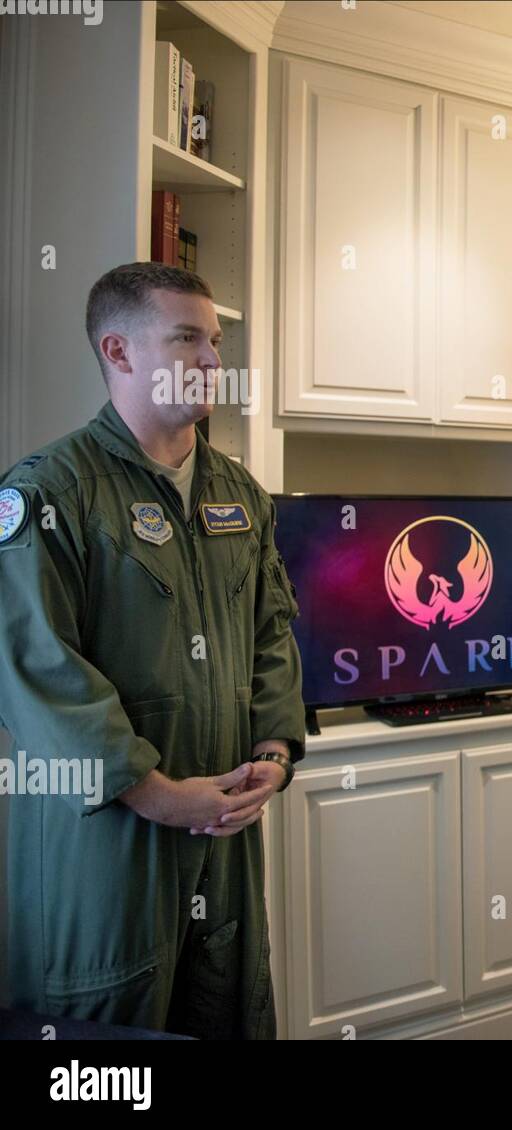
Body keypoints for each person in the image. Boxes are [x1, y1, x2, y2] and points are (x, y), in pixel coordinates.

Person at [0, 261, 306, 1038]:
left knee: (227, 1006)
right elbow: (37, 668)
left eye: (216, 341)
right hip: (107, 843)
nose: (214, 362)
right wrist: (157, 792)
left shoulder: (241, 495)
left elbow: (272, 631)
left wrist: (273, 750)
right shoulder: (49, 493)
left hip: (227, 824)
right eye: (187, 339)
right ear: (120, 351)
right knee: (110, 1044)